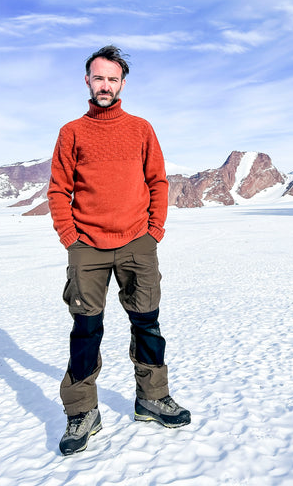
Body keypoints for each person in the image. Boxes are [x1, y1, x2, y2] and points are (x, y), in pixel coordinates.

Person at [48, 45, 190, 456]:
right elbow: (59, 189)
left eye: (113, 78)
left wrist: (154, 231)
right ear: (87, 81)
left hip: (137, 243)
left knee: (147, 324)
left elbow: (158, 181)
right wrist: (70, 238)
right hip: (86, 247)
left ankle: (151, 399)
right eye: (98, 77)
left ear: (122, 83)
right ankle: (82, 411)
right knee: (86, 330)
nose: (105, 85)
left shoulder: (141, 128)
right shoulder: (71, 132)